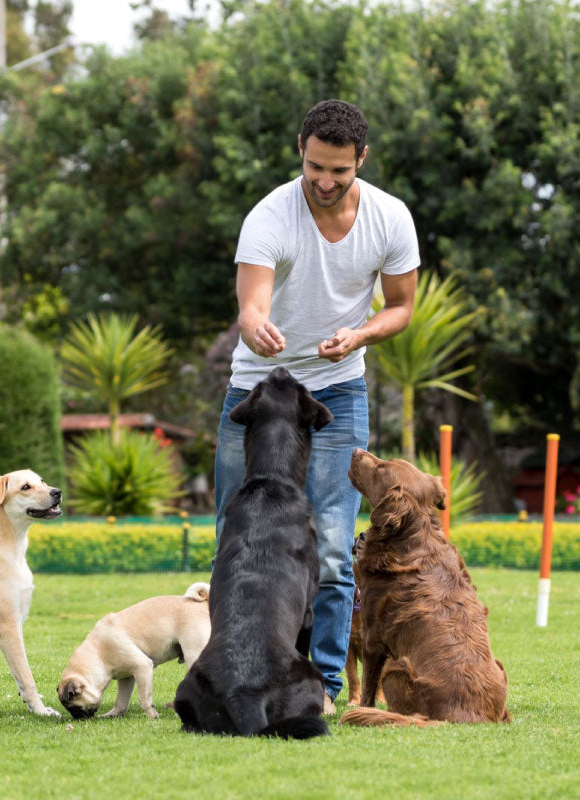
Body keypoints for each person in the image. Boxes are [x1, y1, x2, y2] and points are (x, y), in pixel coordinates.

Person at [213, 99, 419, 713]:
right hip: (257, 394)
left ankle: (323, 688)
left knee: (330, 547)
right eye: (314, 167)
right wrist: (255, 326)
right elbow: (252, 301)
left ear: (362, 159)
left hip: (336, 393)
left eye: (339, 171)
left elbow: (401, 307)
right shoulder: (270, 215)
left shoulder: (390, 218)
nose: (325, 182)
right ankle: (230, 671)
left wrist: (359, 336)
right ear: (299, 148)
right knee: (235, 538)